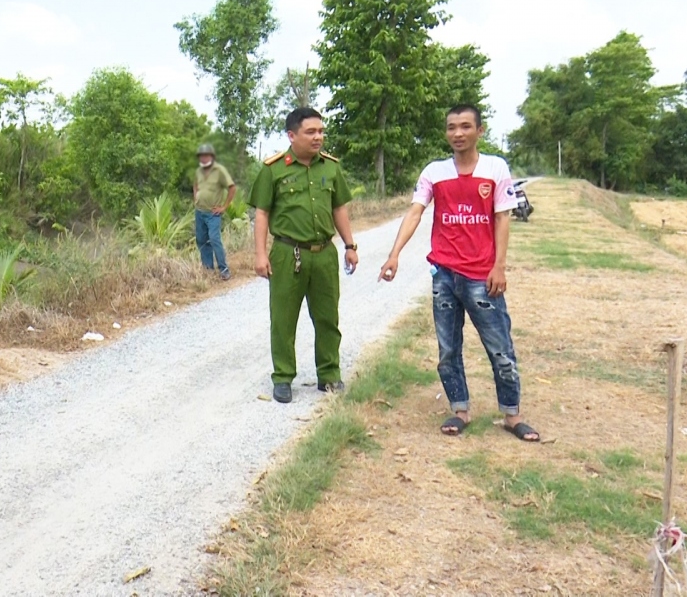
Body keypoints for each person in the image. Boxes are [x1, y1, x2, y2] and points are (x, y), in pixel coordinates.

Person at [378, 104, 540, 442]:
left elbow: (502, 218)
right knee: (448, 349)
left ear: (480, 131)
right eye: (452, 127)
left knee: (500, 348)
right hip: (444, 275)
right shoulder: (434, 172)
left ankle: (512, 415)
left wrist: (499, 266)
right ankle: (460, 409)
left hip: (482, 276)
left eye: (466, 126)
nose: (458, 133)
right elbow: (415, 212)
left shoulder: (495, 168)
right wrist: (394, 255)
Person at [249, 107, 358, 404]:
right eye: (310, 132)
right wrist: (260, 254)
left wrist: (350, 245)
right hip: (287, 253)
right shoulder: (273, 169)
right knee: (283, 319)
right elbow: (262, 213)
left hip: (324, 253)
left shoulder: (331, 168)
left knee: (327, 317)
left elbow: (339, 208)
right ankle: (283, 378)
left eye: (321, 131)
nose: (318, 137)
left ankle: (329, 374)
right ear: (292, 135)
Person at [193, 143, 237, 281]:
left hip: (213, 213)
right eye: (201, 156)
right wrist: (196, 197)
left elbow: (232, 187)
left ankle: (224, 269)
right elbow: (195, 184)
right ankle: (208, 270)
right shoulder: (198, 171)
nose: (203, 158)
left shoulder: (219, 170)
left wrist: (224, 207)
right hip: (199, 211)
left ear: (211, 156)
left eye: (206, 155)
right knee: (201, 240)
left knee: (214, 239)